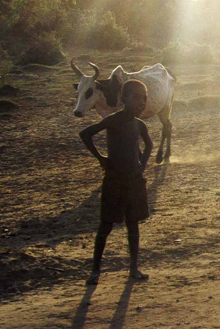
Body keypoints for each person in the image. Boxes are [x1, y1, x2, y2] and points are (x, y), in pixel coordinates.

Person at [79, 79, 153, 285]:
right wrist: (101, 159)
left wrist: (142, 165)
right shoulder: (113, 120)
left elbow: (149, 145)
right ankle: (95, 271)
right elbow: (85, 134)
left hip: (134, 181)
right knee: (105, 226)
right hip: (114, 180)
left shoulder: (140, 124)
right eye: (136, 97)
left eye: (144, 98)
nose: (141, 102)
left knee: (133, 225)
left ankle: (134, 268)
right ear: (123, 98)